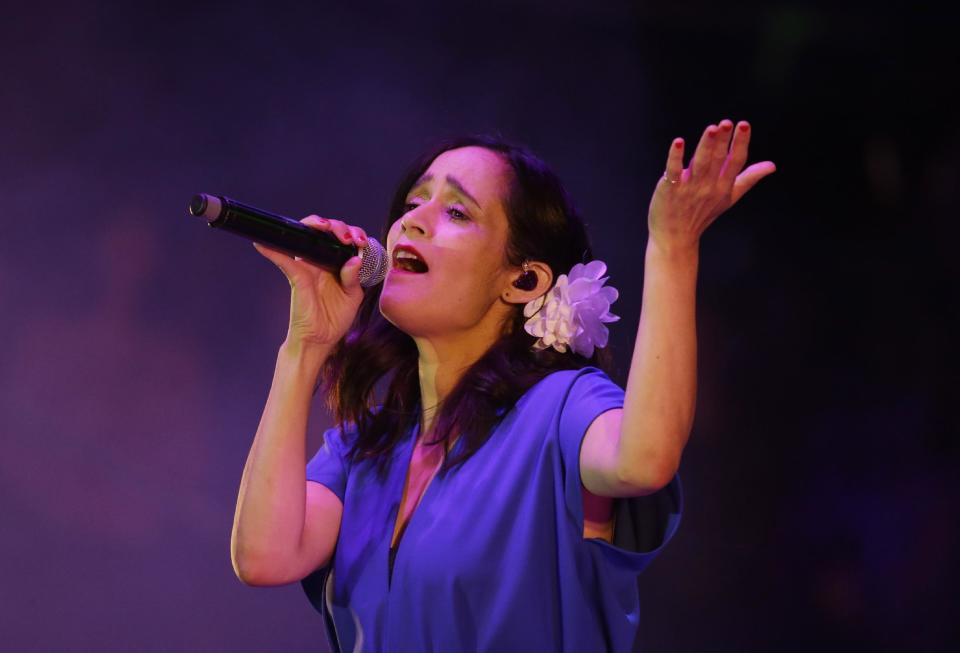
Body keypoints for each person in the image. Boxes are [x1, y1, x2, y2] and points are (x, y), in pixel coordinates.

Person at [230, 122, 776, 652]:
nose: (412, 221)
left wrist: (672, 249)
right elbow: (263, 558)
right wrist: (305, 345)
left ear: (524, 280)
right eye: (413, 202)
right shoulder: (364, 450)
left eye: (456, 211)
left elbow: (645, 459)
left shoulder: (560, 409)